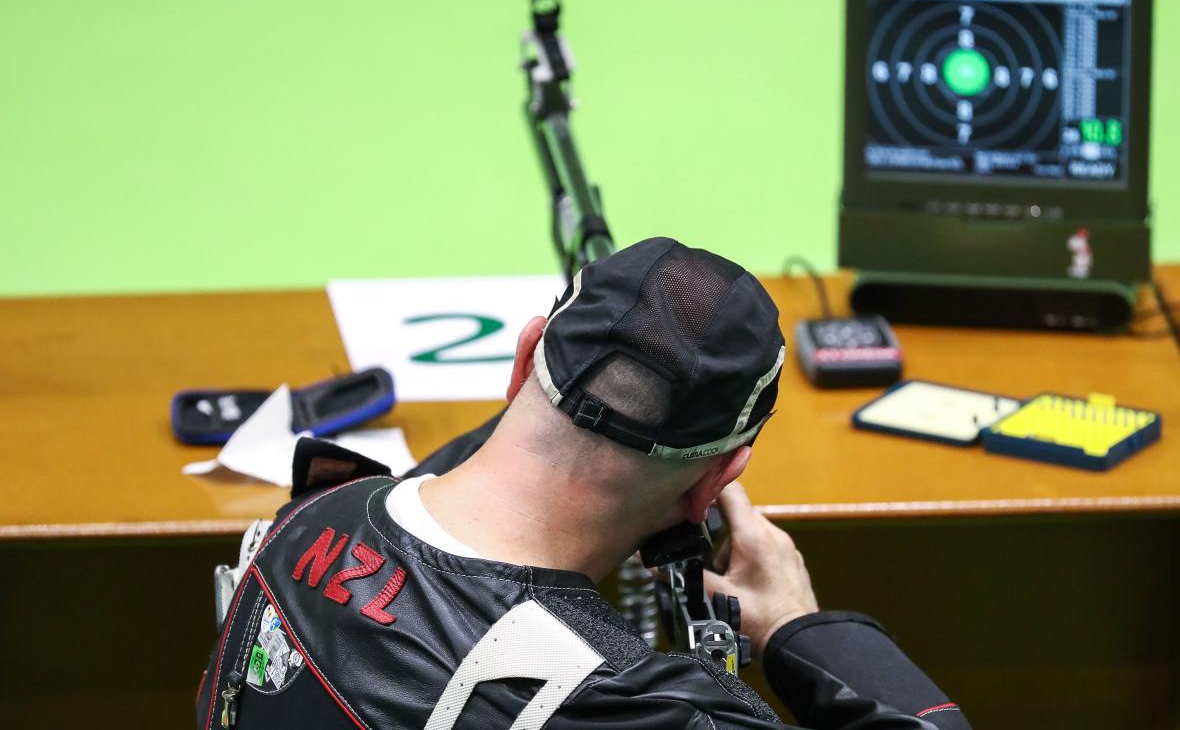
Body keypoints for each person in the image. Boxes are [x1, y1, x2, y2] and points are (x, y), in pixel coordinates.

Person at [196, 237, 968, 729]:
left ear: (525, 351)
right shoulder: (631, 709)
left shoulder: (315, 508)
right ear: (717, 484)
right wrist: (800, 629)